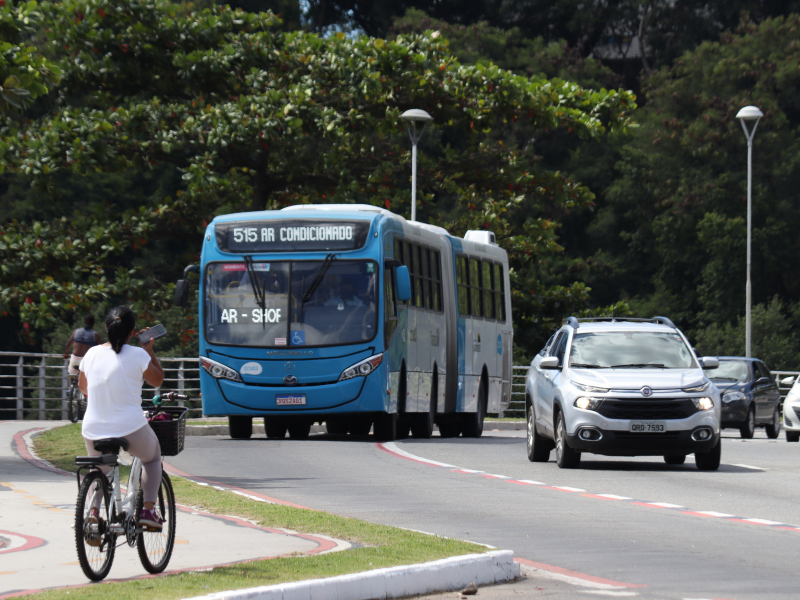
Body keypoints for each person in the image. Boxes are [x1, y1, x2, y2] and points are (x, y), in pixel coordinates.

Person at [78, 307, 166, 530]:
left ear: (106, 328)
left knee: (98, 469)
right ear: (132, 332)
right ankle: (147, 510)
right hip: (130, 427)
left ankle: (94, 513)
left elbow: (83, 387)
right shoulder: (139, 354)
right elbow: (157, 381)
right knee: (153, 458)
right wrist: (149, 350)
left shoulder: (91, 354)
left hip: (93, 427)